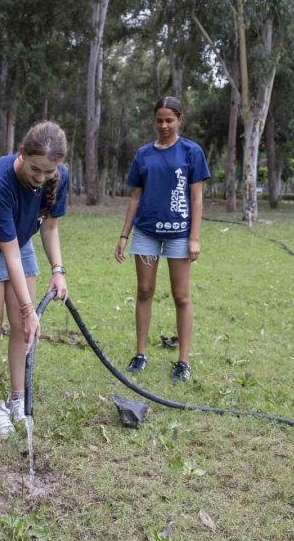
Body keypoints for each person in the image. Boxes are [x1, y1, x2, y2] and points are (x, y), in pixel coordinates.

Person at [0, 121, 69, 438]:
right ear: (21, 153)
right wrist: (29, 307)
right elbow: (10, 258)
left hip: (18, 242)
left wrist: (58, 270)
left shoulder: (58, 176)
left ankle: (17, 397)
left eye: (49, 172)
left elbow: (49, 228)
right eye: (36, 170)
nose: (42, 178)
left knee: (23, 327)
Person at [115, 97, 210, 383]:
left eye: (170, 120)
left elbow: (196, 198)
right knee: (144, 291)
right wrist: (124, 234)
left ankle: (183, 360)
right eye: (160, 120)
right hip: (146, 233)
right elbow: (135, 197)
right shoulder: (144, 154)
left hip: (179, 235)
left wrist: (194, 238)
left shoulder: (192, 152)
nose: (164, 125)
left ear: (180, 120)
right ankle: (141, 353)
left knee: (181, 296)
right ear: (154, 121)